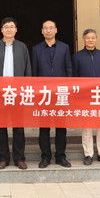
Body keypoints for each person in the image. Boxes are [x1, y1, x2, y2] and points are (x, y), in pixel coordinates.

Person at [0, 17, 32, 170]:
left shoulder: (22, 47)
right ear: (1, 30)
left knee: (19, 127)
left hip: (17, 93)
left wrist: (26, 90)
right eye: (6, 27)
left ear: (16, 30)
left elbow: (28, 70)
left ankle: (19, 158)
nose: (9, 29)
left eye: (12, 26)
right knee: (0, 127)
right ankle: (3, 158)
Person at [31, 20, 72, 168]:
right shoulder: (36, 49)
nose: (48, 30)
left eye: (51, 28)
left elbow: (68, 69)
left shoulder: (64, 47)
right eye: (46, 28)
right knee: (44, 128)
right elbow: (34, 73)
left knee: (61, 127)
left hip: (61, 94)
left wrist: (69, 89)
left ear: (56, 30)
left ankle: (61, 156)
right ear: (42, 31)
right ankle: (45, 157)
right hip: (44, 95)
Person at [72, 29, 100, 166]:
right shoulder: (77, 56)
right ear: (83, 39)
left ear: (96, 39)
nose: (90, 40)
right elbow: (74, 78)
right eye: (88, 38)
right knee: (86, 126)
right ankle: (88, 154)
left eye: (93, 37)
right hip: (85, 96)